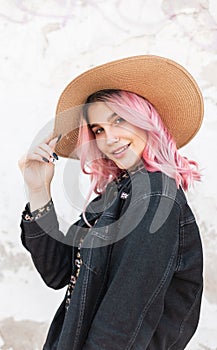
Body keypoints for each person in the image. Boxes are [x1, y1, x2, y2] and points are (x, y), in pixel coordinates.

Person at [18, 55, 204, 350]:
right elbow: (57, 272)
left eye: (119, 120)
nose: (109, 138)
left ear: (146, 119)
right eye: (99, 130)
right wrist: (38, 190)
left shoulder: (155, 195)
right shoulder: (118, 194)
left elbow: (123, 319)